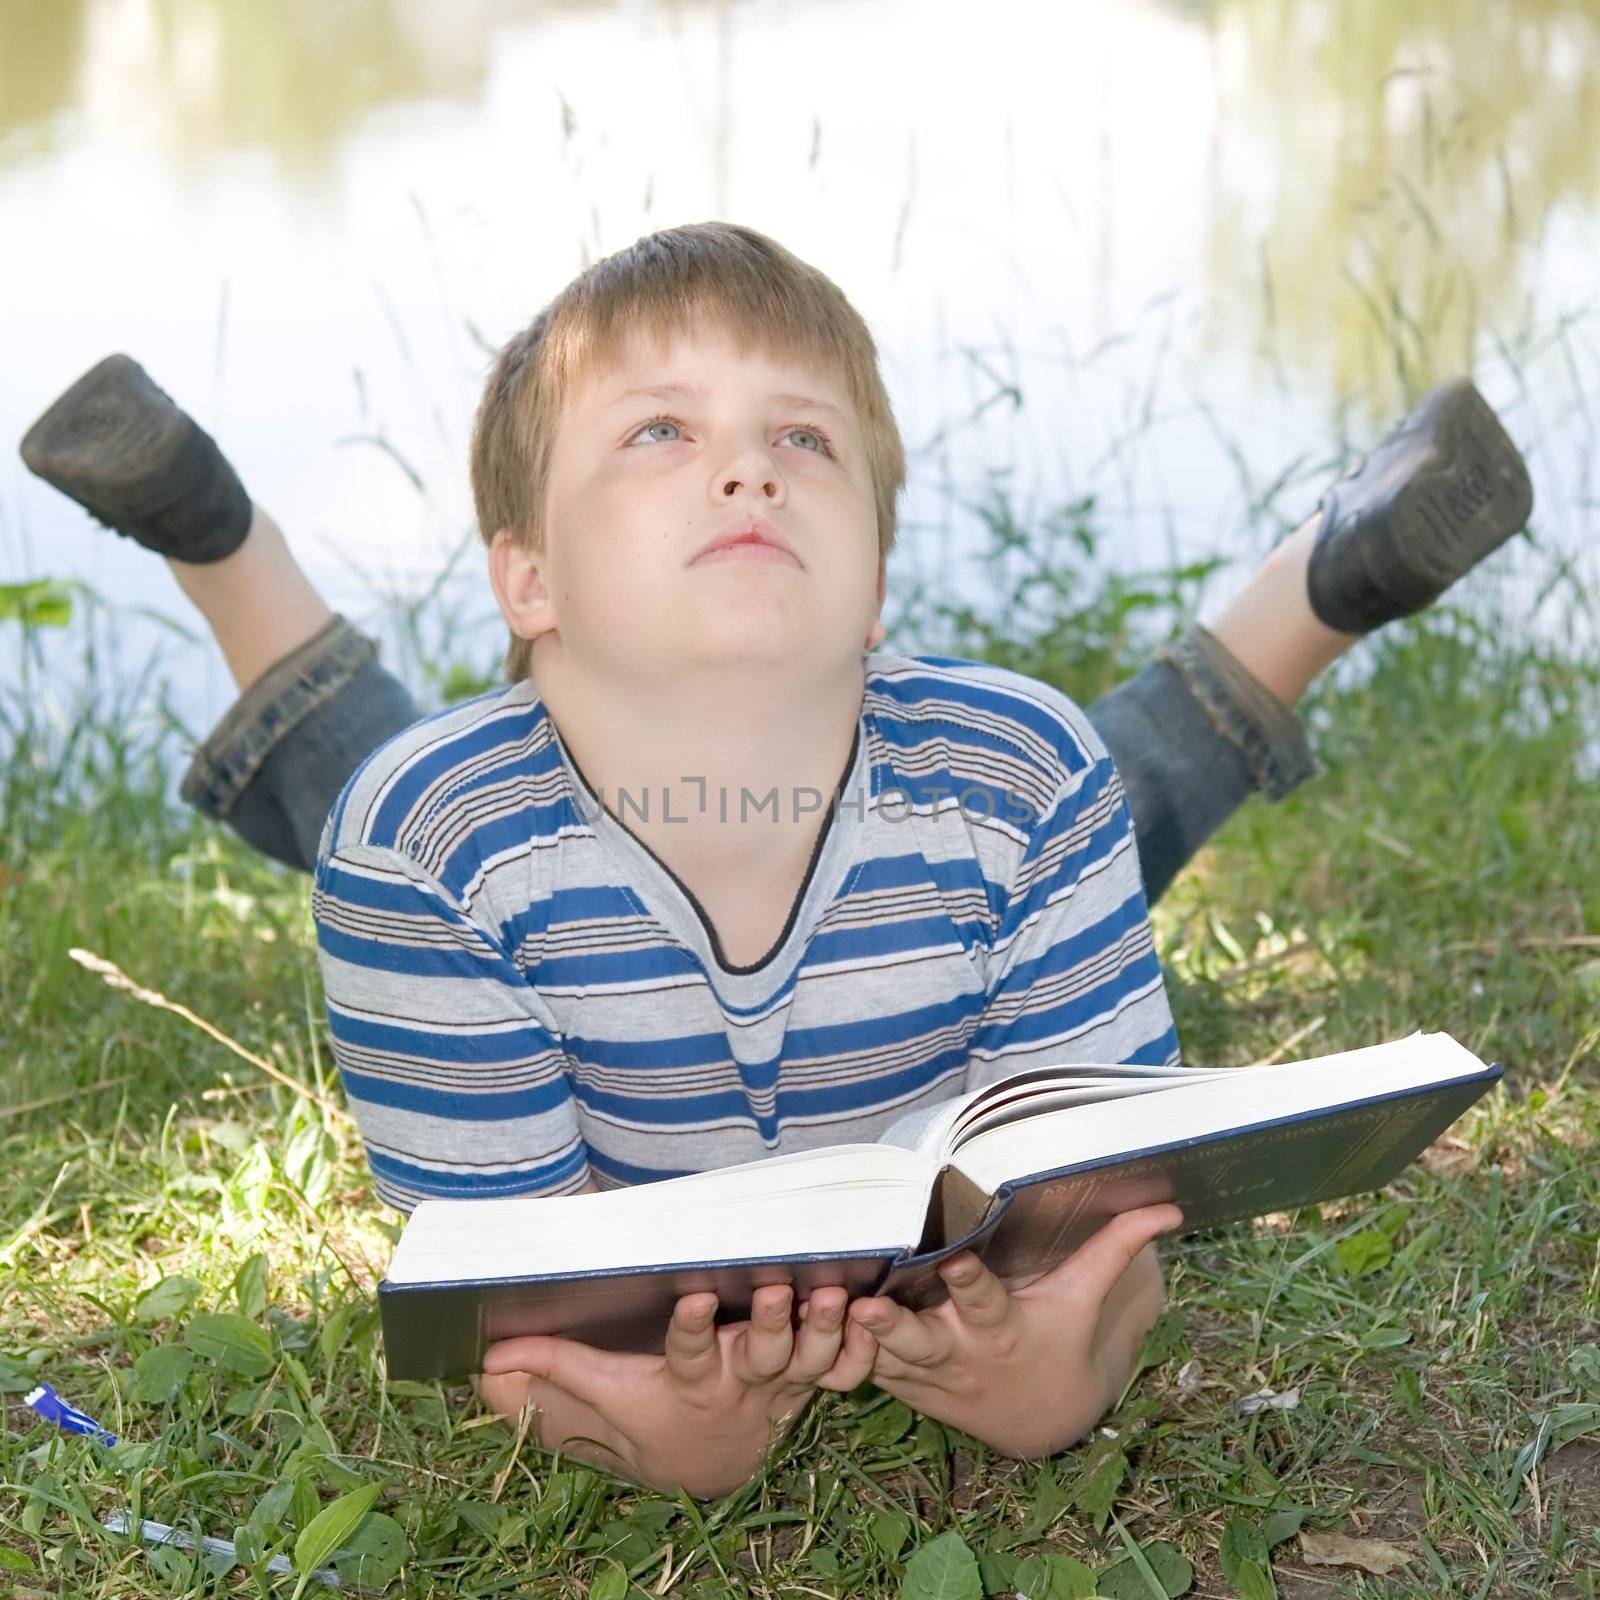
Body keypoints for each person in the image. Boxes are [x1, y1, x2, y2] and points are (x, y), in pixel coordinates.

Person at [18, 223, 1532, 1496]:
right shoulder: (436, 851)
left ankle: (1325, 574)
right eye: (661, 430)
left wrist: (1061, 1366)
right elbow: (503, 1307)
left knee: (1083, 806)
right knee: (389, 793)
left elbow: (1103, 1229)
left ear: (877, 579)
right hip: (514, 816)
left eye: (800, 437)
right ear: (526, 577)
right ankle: (215, 533)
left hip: (924, 796)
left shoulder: (1010, 778)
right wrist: (632, 1421)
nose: (749, 472)